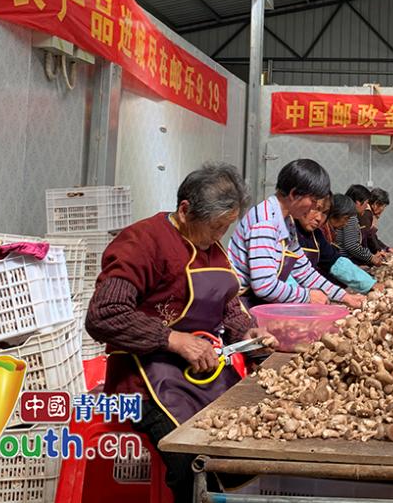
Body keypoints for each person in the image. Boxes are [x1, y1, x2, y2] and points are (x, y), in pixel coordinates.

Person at [85, 163, 261, 502]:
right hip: (144, 378)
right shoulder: (143, 242)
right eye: (215, 226)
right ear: (185, 210)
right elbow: (103, 314)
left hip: (204, 373)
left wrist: (249, 334)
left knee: (246, 437)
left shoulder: (212, 248)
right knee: (192, 460)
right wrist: (172, 340)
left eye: (225, 227)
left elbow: (228, 308)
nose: (219, 236)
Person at [228, 159, 363, 309]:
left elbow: (304, 271)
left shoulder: (287, 222)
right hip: (242, 304)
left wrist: (344, 296)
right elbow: (264, 286)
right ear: (294, 194)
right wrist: (308, 296)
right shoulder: (265, 223)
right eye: (313, 201)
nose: (313, 208)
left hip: (259, 302)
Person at [297, 194, 375, 295]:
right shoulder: (287, 230)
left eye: (324, 212)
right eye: (316, 209)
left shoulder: (316, 234)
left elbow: (334, 261)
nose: (319, 218)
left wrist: (368, 284)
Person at [336, 184, 383, 267]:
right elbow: (352, 246)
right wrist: (371, 258)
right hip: (344, 262)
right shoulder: (350, 217)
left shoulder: (347, 215)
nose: (366, 207)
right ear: (357, 202)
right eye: (366, 203)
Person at [366, 187, 393, 255]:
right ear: (376, 204)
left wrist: (387, 248)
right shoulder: (366, 213)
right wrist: (380, 251)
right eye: (383, 207)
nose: (383, 210)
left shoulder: (369, 212)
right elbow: (370, 237)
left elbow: (373, 237)